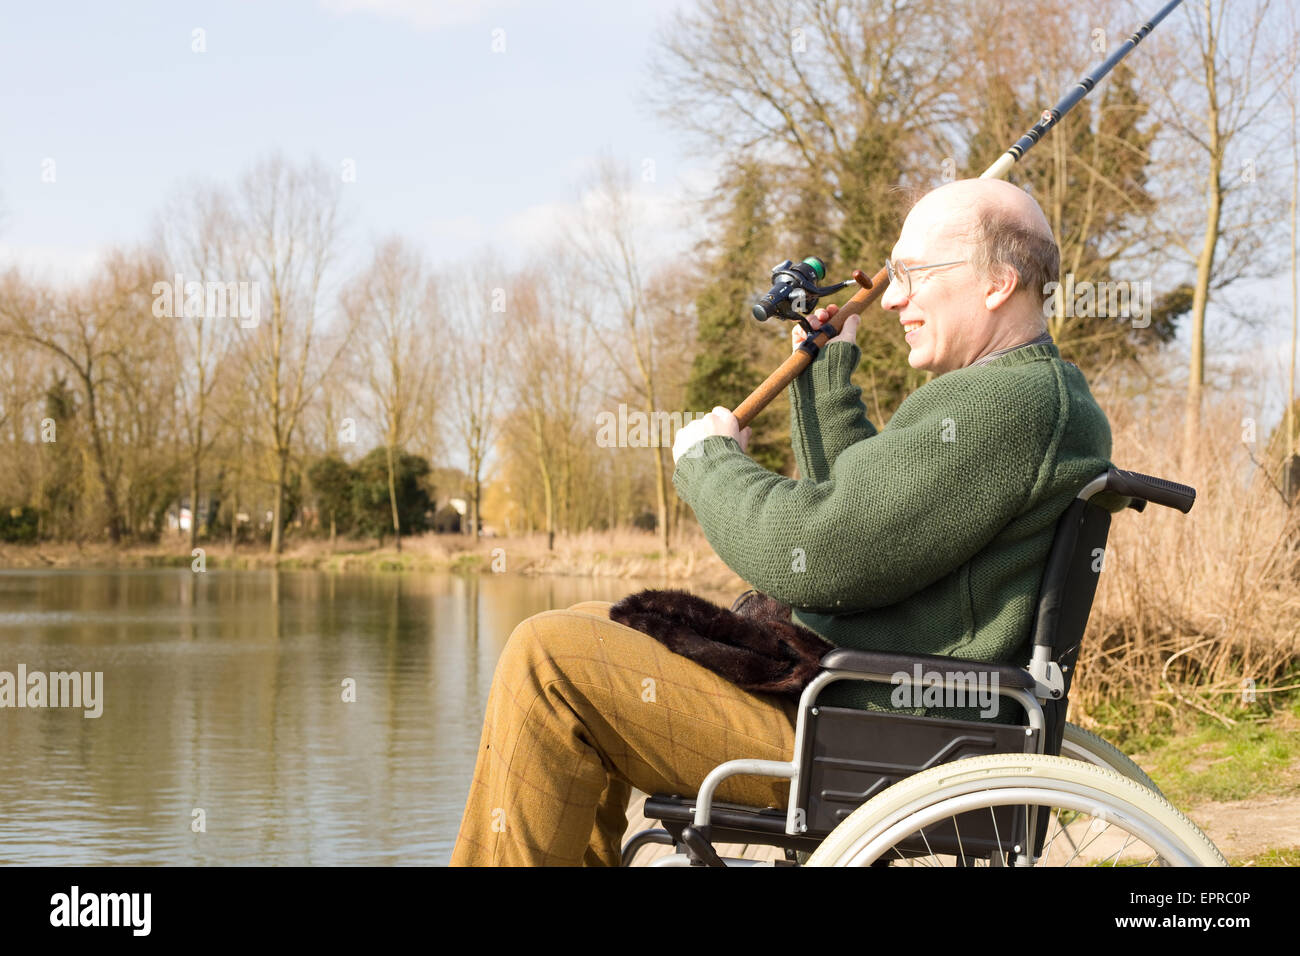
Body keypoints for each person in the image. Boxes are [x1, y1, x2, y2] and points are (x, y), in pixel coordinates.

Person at [448, 177, 1112, 866]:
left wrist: (709, 464)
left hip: (875, 734)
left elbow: (817, 552)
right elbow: (863, 509)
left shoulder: (1005, 404)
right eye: (894, 275)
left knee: (549, 661)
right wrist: (823, 371)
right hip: (865, 709)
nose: (893, 297)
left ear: (998, 283)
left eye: (914, 273)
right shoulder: (1021, 394)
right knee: (595, 625)